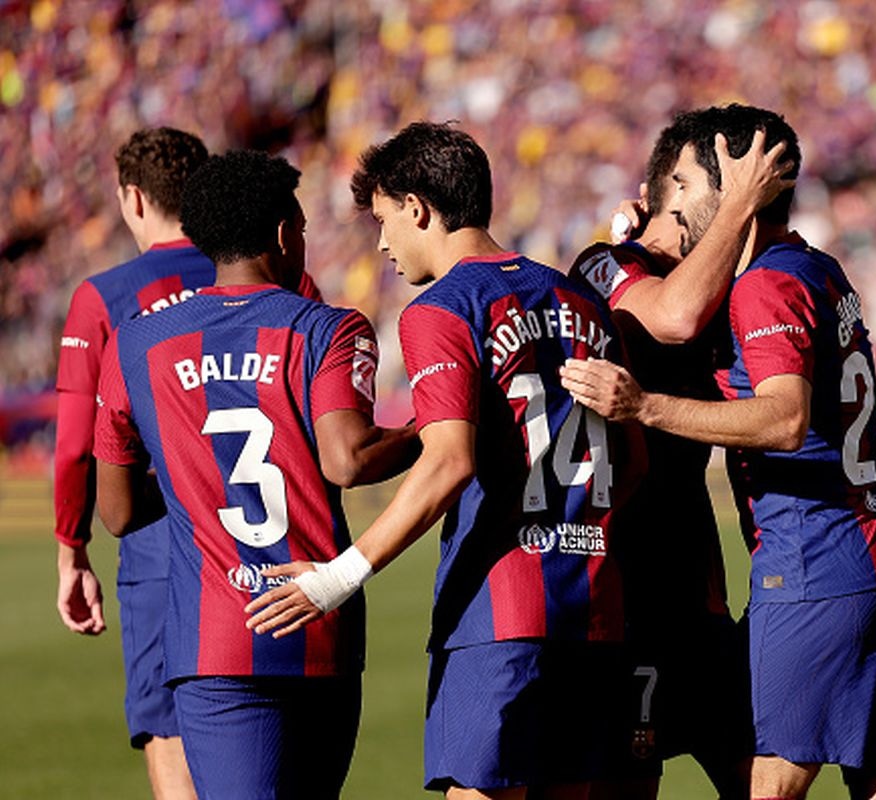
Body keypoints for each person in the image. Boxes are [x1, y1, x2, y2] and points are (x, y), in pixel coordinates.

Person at [246, 121, 647, 800]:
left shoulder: (442, 308)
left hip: (503, 616)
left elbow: (448, 461)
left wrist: (338, 578)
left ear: (417, 208)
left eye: (383, 220)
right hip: (596, 614)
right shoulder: (585, 302)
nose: (381, 242)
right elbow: (632, 461)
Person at [561, 105, 876, 800]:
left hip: (804, 565)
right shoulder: (808, 268)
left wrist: (643, 404)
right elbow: (679, 317)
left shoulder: (759, 282)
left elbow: (788, 418)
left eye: (692, 182)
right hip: (852, 557)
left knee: (766, 784)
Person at [92, 149, 415, 800]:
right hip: (320, 624)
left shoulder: (136, 343)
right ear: (280, 234)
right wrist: (429, 434)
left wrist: (195, 479)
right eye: (299, 226)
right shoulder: (328, 329)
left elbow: (119, 513)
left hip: (216, 639)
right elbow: (348, 460)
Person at [572, 111, 793, 799]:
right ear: (670, 192)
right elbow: (671, 317)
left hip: (697, 595)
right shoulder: (603, 263)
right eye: (716, 190)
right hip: (624, 588)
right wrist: (736, 208)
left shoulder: (732, 279)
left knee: (762, 779)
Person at [53, 126, 211, 800]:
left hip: (159, 545)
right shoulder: (272, 270)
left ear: (134, 199)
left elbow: (72, 445)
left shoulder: (106, 296)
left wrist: (71, 552)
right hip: (268, 540)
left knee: (170, 733)